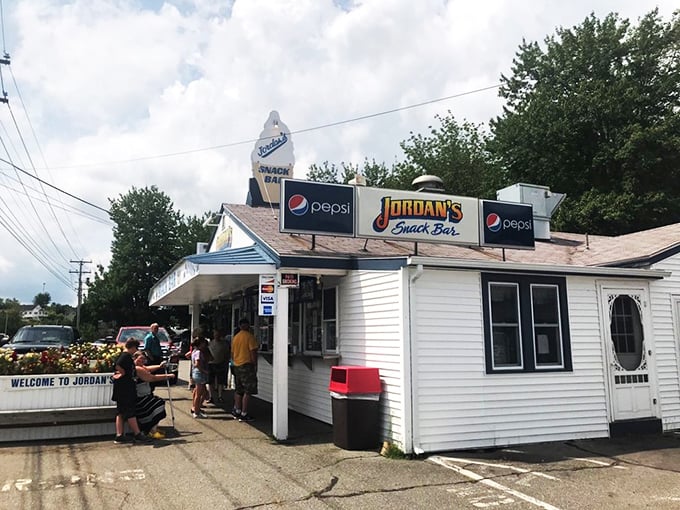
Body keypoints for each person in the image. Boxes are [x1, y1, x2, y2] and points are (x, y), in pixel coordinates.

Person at [112, 338, 153, 444]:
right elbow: (118, 365)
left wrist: (120, 373)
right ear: (133, 347)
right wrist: (122, 373)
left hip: (121, 388)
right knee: (130, 411)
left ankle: (119, 435)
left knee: (120, 412)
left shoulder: (124, 355)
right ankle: (137, 434)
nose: (136, 350)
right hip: (125, 388)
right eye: (136, 348)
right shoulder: (125, 356)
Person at [133, 351, 176, 439]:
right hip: (140, 398)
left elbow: (148, 369)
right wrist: (167, 376)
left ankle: (153, 429)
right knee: (158, 405)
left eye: (144, 359)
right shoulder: (137, 369)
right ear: (135, 358)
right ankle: (151, 430)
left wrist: (160, 366)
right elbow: (151, 378)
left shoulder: (141, 367)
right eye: (140, 358)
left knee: (158, 403)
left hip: (145, 395)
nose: (143, 360)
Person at [230, 318, 259, 422]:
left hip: (237, 365)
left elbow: (232, 354)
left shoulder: (235, 338)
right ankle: (244, 412)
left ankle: (237, 410)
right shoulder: (250, 337)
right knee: (248, 390)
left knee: (238, 389)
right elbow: (253, 352)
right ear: (247, 325)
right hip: (247, 365)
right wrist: (255, 365)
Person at [190, 332, 210, 418]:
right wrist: (204, 371)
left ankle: (195, 408)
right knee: (199, 394)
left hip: (195, 373)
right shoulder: (198, 352)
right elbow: (197, 363)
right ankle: (196, 411)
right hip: (199, 373)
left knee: (196, 392)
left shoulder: (194, 351)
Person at [207, 329, 229, 404]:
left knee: (220, 381)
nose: (217, 335)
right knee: (210, 382)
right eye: (215, 334)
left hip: (220, 363)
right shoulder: (210, 343)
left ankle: (220, 396)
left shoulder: (224, 344)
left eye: (218, 334)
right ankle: (211, 396)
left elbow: (227, 354)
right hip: (211, 364)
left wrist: (225, 361)